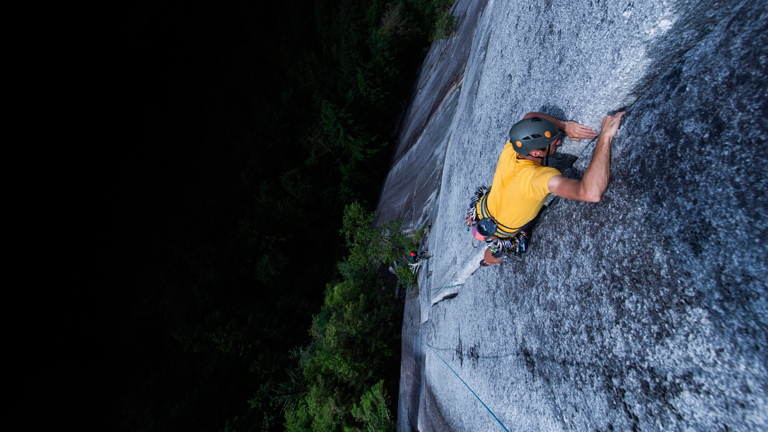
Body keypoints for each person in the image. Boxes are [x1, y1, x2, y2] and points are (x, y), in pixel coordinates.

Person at [467, 111, 626, 266]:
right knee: (493, 255)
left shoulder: (514, 147)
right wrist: (605, 137)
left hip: (480, 207)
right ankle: (488, 259)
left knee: (484, 226)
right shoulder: (539, 178)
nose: (558, 141)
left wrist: (565, 126)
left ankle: (478, 230)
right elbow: (590, 192)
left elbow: (529, 118)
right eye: (553, 141)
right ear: (536, 152)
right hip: (500, 233)